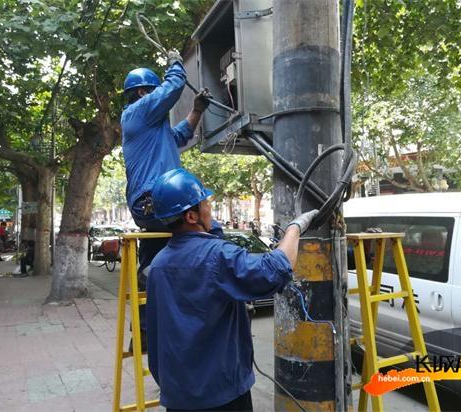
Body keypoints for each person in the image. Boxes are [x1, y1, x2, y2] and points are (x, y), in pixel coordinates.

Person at [146, 168, 319, 411]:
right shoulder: (218, 257)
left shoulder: (158, 265)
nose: (210, 208)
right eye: (204, 203)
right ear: (191, 217)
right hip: (221, 395)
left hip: (178, 395)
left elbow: (154, 334)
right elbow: (277, 268)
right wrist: (295, 228)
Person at [121, 51, 220, 350]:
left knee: (155, 257)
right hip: (154, 199)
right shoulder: (137, 112)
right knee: (208, 228)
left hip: (149, 206)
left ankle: (146, 333)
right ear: (142, 93)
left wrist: (198, 110)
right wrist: (175, 63)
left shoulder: (154, 129)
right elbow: (174, 86)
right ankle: (220, 290)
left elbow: (181, 134)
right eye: (154, 94)